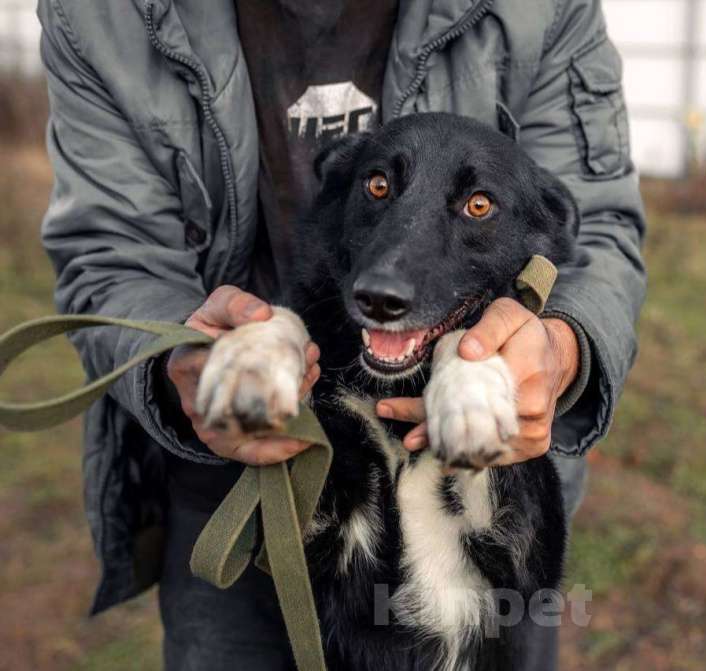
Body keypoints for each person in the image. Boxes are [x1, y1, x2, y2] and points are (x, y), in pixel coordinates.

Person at [37, 1, 646, 669]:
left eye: (474, 206)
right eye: (380, 186)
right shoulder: (102, 13)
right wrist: (181, 361)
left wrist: (560, 350)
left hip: (494, 467)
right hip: (243, 468)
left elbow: (594, 231)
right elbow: (110, 248)